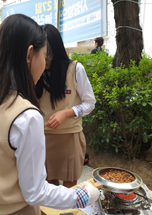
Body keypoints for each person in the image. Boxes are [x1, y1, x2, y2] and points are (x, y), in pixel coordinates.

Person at [0, 14, 101, 215]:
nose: (46, 62)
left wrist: (67, 113)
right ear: (30, 54)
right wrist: (81, 197)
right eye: (44, 54)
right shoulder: (26, 117)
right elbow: (36, 192)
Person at [36, 24, 96, 188]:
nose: (45, 62)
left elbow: (90, 103)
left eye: (48, 56)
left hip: (70, 136)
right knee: (49, 183)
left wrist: (67, 113)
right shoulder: (34, 72)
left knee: (71, 185)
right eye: (41, 56)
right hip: (42, 136)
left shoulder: (75, 69)